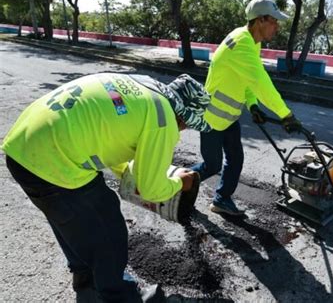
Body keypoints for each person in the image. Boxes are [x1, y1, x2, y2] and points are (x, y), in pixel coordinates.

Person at [1, 73, 211, 302]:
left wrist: (132, 174)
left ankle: (87, 285)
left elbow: (113, 139)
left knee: (73, 223)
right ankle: (121, 296)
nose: (182, 130)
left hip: (24, 145)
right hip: (53, 159)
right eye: (187, 125)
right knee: (108, 228)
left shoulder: (142, 87)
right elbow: (151, 190)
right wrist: (181, 181)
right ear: (183, 117)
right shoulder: (164, 119)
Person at [191, 0, 302, 216]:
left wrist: (252, 106)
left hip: (229, 118)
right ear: (260, 20)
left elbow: (248, 80)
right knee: (212, 166)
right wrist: (285, 115)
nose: (277, 26)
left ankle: (221, 199)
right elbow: (261, 82)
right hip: (212, 119)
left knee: (235, 159)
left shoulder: (252, 42)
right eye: (274, 21)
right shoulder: (241, 42)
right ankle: (175, 185)